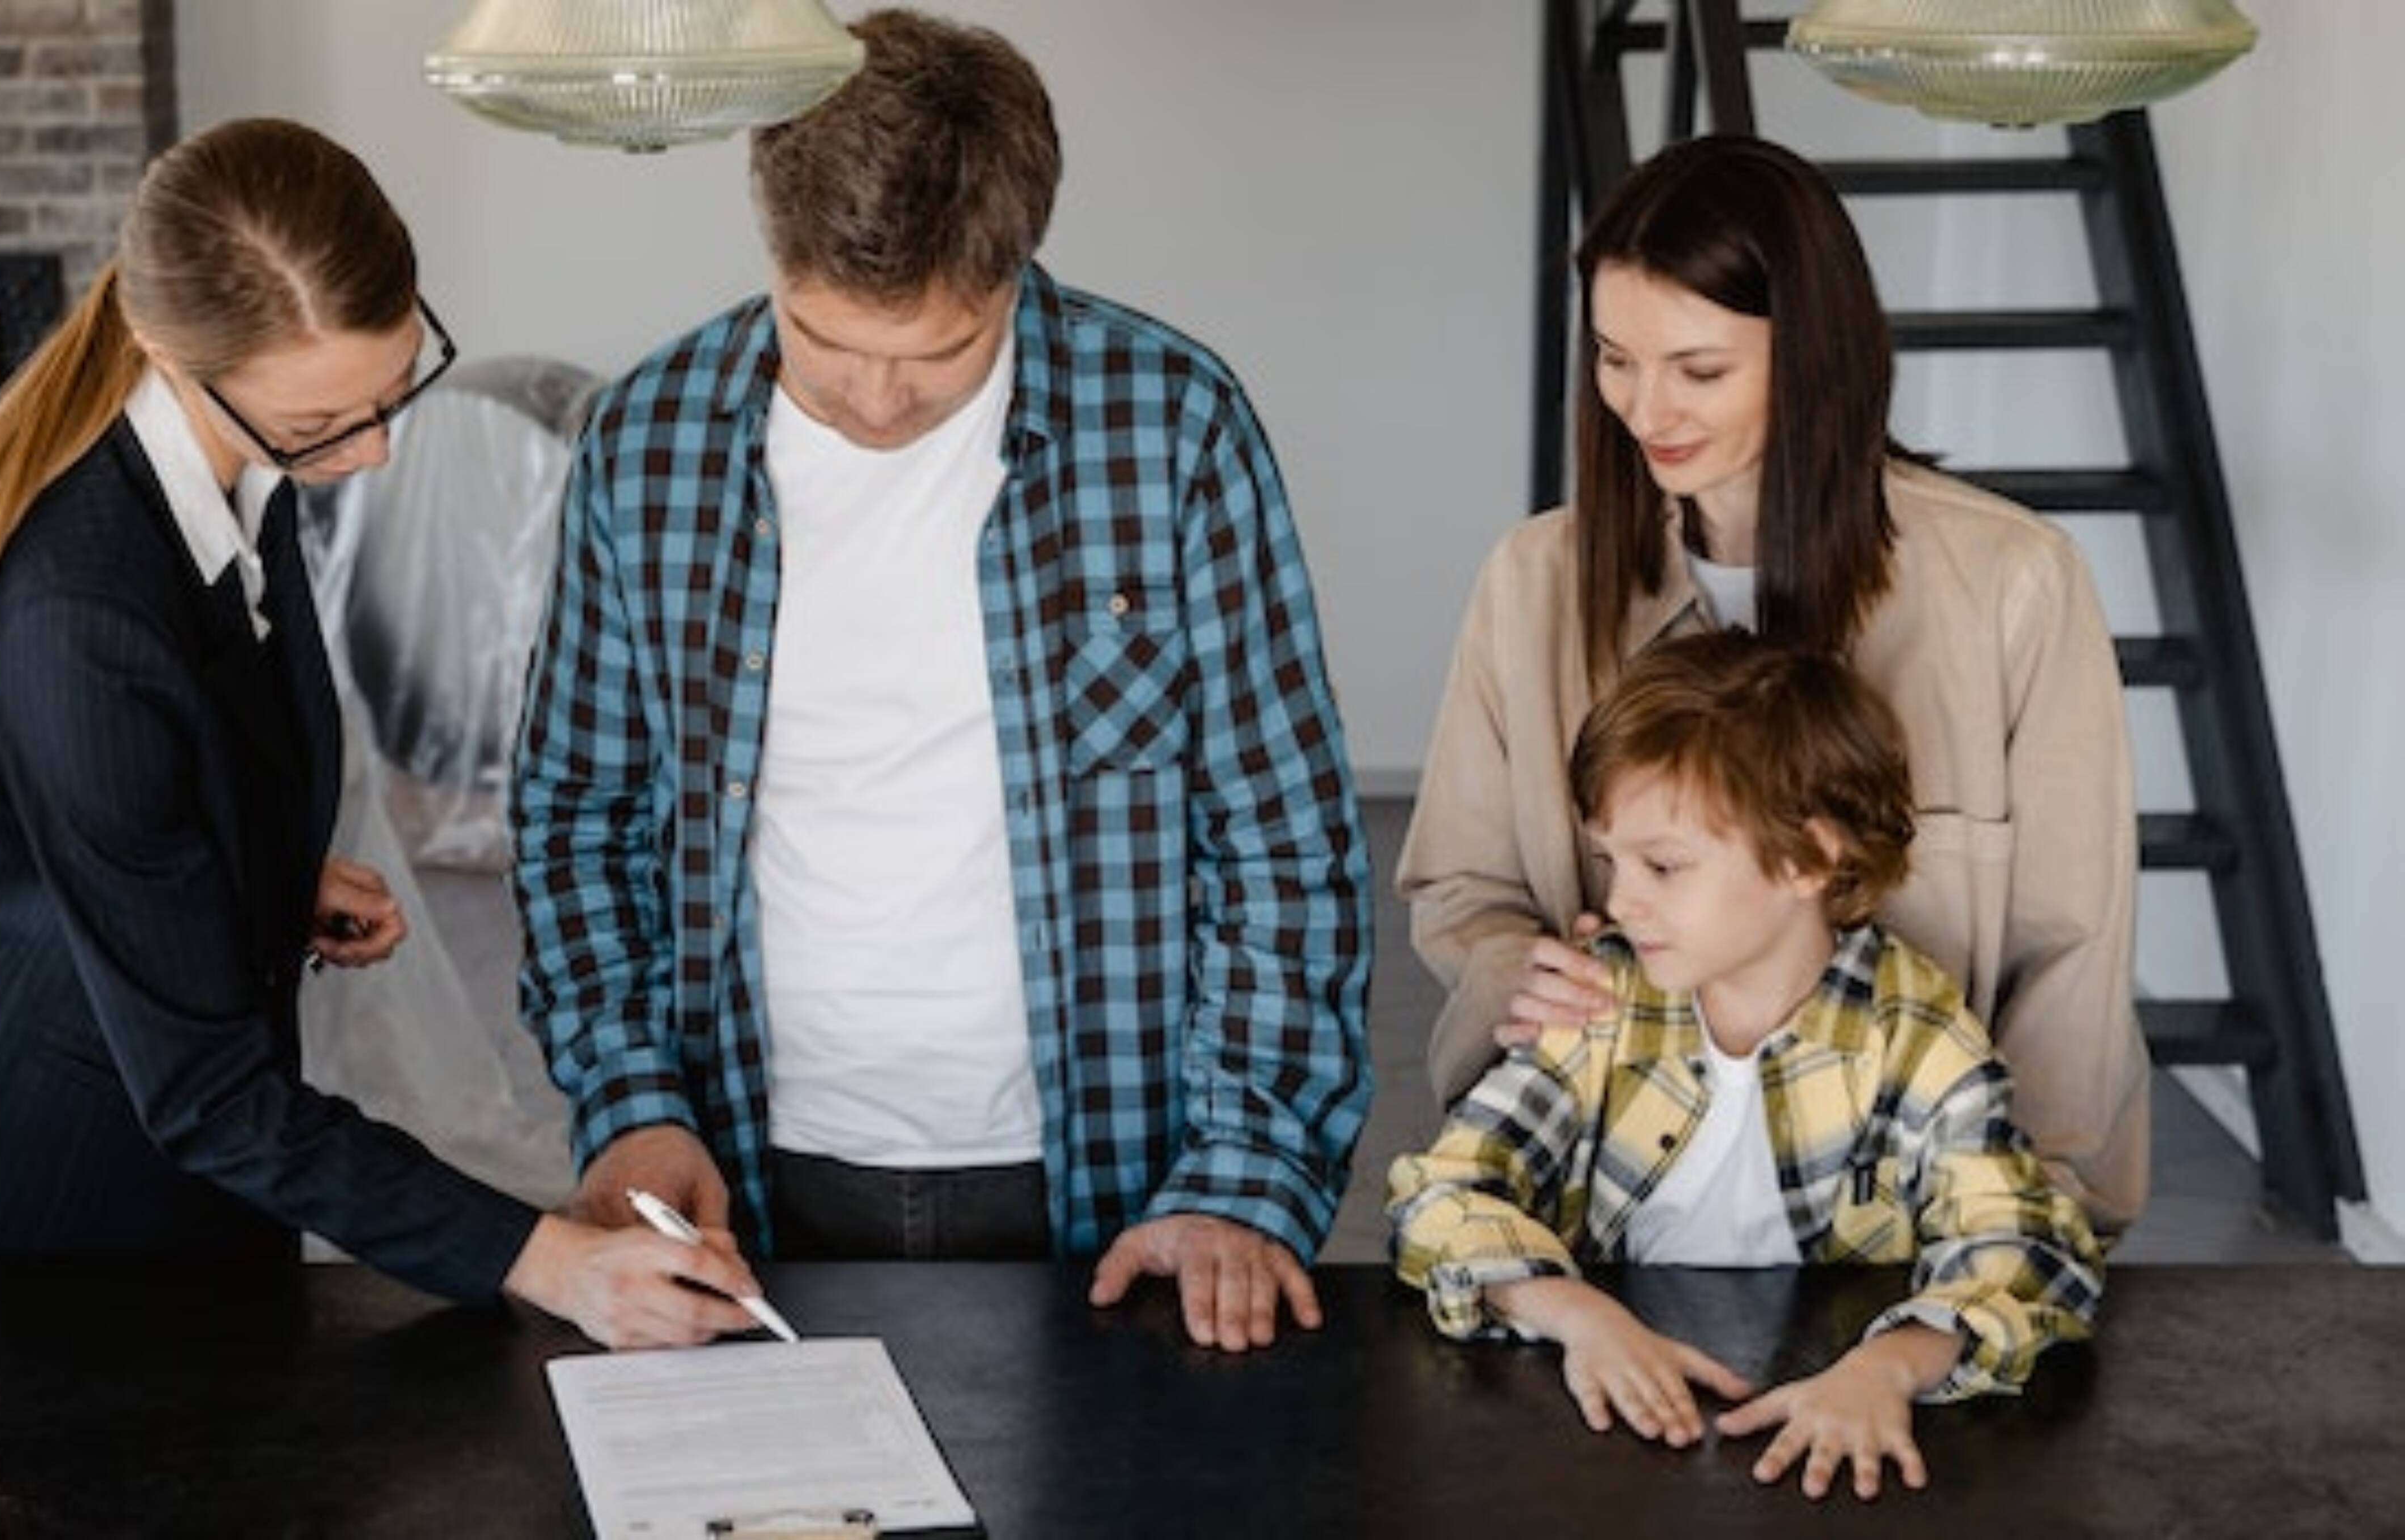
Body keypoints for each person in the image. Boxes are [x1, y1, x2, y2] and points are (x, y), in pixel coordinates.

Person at [0, 117, 761, 1415]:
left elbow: (129, 795)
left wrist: (248, 877)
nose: (377, 448)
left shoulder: (234, 459)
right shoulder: (82, 608)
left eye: (398, 383)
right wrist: (549, 1259)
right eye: (325, 421)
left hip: (126, 1204)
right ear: (178, 360)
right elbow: (210, 1094)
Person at [509, 10, 1371, 1355]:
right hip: (750, 1163)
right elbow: (577, 815)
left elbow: (1280, 837)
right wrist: (629, 1100)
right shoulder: (646, 440)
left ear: (1017, 271)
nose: (875, 402)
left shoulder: (1174, 425)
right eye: (824, 340)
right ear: (771, 253)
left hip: (1107, 1175)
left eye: (938, 355)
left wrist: (1247, 1170)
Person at [1397, 133, 2149, 1231]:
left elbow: (2072, 957)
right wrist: (1516, 968)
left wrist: (2019, 1235)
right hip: (1609, 1209)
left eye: (1699, 369)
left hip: (1917, 1223)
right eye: (1615, 358)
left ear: (1813, 353)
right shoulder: (1533, 584)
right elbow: (1463, 888)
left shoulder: (2012, 586)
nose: (1647, 409)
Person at [1389, 629, 2104, 1503]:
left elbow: (2027, 1244)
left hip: (1822, 1452)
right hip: (1611, 1438)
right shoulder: (1600, 1002)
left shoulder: (1918, 1035)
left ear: (1809, 857)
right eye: (1611, 859)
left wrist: (1886, 1370)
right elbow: (1443, 1193)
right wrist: (1581, 1319)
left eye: (1663, 865)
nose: (1618, 900)